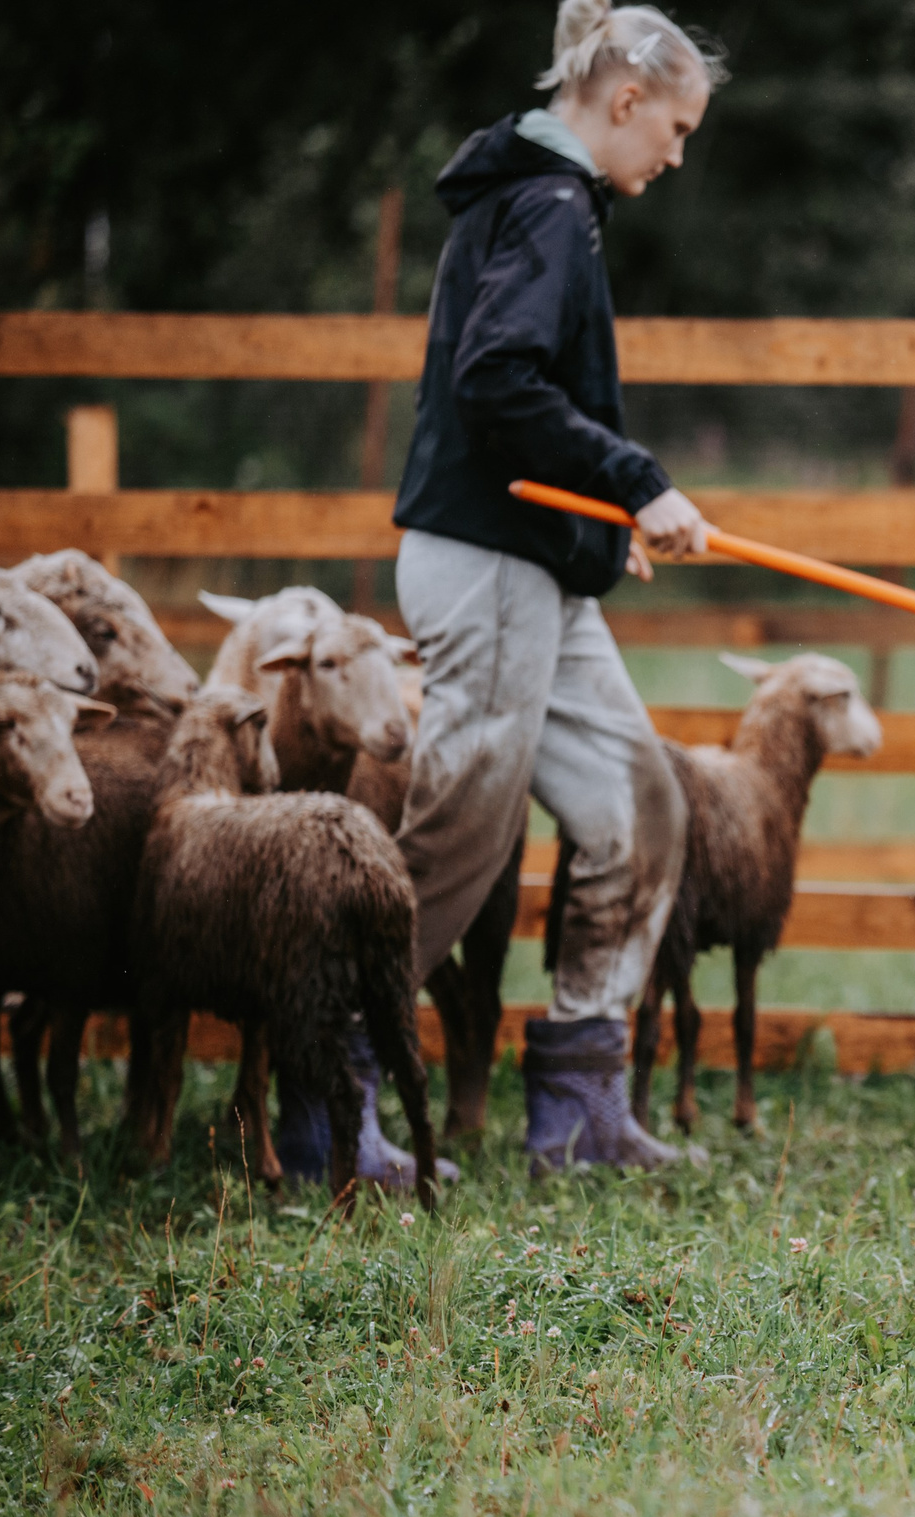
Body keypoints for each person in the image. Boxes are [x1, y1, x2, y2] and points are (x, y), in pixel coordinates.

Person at [389, 0, 725, 1173]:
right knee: (457, 842)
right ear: (624, 101)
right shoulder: (545, 202)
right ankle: (322, 1088)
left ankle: (579, 1108)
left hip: (531, 558)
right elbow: (497, 380)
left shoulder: (547, 201)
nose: (676, 155)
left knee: (639, 802)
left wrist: (595, 531)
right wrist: (637, 482)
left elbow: (519, 414)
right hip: (483, 567)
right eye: (673, 126)